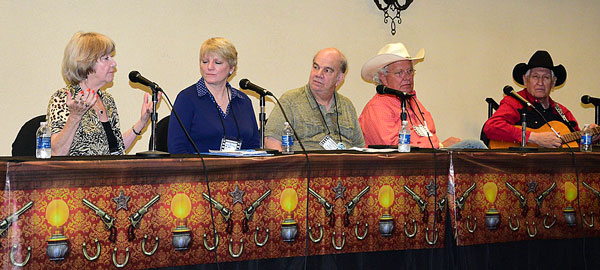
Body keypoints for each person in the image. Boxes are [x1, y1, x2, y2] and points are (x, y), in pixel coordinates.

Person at [359, 42, 486, 149]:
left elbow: (430, 134)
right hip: (397, 170)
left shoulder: (414, 103)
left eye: (410, 71)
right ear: (383, 77)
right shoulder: (377, 107)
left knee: (471, 148)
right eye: (399, 73)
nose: (407, 77)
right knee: (473, 145)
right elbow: (393, 148)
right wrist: (441, 146)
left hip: (426, 162)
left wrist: (440, 146)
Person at [47, 32, 156, 156]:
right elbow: (57, 153)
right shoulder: (64, 98)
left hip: (107, 174)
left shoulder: (107, 100)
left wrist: (141, 123)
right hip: (77, 174)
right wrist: (75, 117)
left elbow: (116, 151)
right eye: (106, 58)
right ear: (86, 62)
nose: (114, 63)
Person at [483, 50, 598, 148]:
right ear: (525, 80)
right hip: (519, 167)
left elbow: (577, 145)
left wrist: (590, 138)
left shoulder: (563, 112)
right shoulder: (514, 102)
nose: (540, 83)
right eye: (535, 77)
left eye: (546, 77)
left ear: (553, 83)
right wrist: (534, 137)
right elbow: (491, 127)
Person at [168, 37, 260, 153]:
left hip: (238, 170)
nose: (209, 67)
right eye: (205, 61)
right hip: (200, 170)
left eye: (217, 62)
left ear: (232, 68)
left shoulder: (243, 101)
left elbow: (254, 145)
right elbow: (176, 148)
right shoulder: (187, 99)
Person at [264, 48, 365, 151]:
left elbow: (360, 149)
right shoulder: (290, 101)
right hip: (305, 166)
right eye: (316, 67)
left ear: (339, 78)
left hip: (343, 166)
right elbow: (271, 143)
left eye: (327, 70)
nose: (318, 74)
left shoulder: (347, 106)